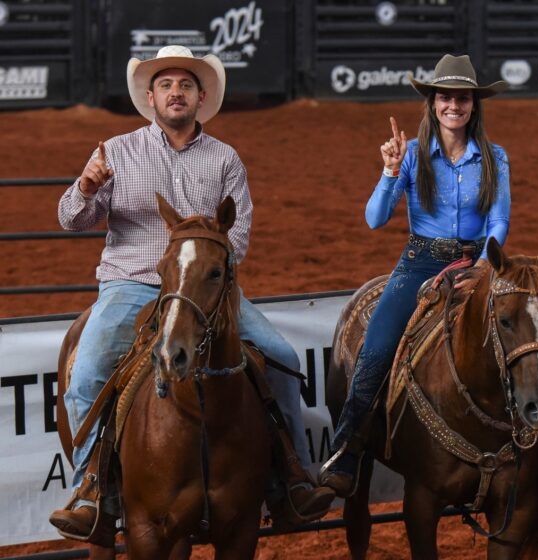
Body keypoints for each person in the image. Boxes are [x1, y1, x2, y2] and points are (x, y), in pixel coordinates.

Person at [48, 45, 334, 539]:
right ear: (151, 97)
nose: (175, 93)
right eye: (165, 85)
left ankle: (292, 479)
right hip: (131, 283)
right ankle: (91, 489)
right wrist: (87, 187)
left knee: (282, 359)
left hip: (205, 290)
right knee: (89, 369)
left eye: (184, 85)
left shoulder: (225, 159)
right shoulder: (116, 152)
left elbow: (237, 238)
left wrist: (202, 252)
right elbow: (71, 220)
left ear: (201, 98)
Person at [318, 54, 511, 498]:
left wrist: (483, 262)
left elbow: (499, 221)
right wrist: (388, 173)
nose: (454, 106)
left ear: (474, 105)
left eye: (462, 98)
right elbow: (374, 218)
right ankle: (346, 449)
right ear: (433, 103)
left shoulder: (495, 158)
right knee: (377, 347)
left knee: (520, 333)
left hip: (476, 262)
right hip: (420, 262)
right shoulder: (409, 156)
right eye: (446, 97)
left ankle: (530, 443)